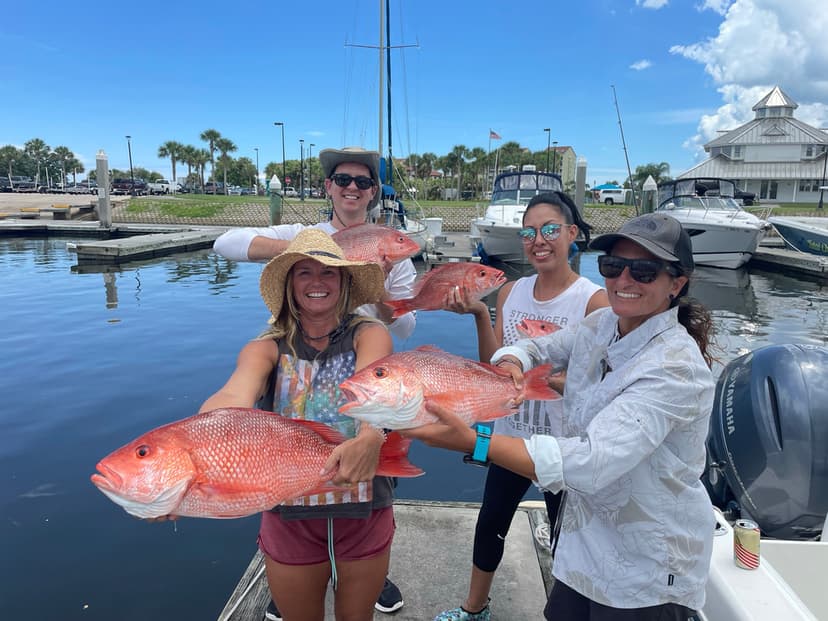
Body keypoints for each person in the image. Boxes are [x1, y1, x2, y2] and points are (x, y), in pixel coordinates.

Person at [406, 213, 717, 620]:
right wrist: (513, 361)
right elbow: (539, 348)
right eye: (613, 266)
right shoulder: (602, 324)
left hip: (645, 572)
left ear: (676, 284)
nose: (624, 279)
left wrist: (474, 442)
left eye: (643, 271)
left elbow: (591, 461)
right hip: (583, 549)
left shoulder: (675, 367)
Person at [213, 147, 410, 618]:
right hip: (290, 511)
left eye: (329, 272)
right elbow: (232, 396)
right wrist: (309, 249)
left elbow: (396, 339)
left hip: (364, 501)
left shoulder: (370, 327)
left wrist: (371, 434)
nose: (317, 280)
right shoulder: (266, 346)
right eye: (304, 272)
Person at [435, 192, 608, 621]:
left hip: (565, 444)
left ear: (572, 233)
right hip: (512, 436)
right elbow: (491, 369)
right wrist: (480, 314)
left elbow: (601, 386)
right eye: (528, 233)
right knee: (490, 521)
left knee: (569, 537)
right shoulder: (511, 292)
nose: (539, 241)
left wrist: (543, 382)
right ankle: (474, 609)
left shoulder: (594, 301)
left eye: (550, 229)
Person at [213, 146, 416, 342]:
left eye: (362, 182)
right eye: (343, 179)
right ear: (328, 186)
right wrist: (307, 250)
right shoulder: (303, 234)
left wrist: (377, 289)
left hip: (366, 355)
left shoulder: (396, 258)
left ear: (373, 191)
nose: (352, 187)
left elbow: (406, 330)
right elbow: (225, 244)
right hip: (301, 353)